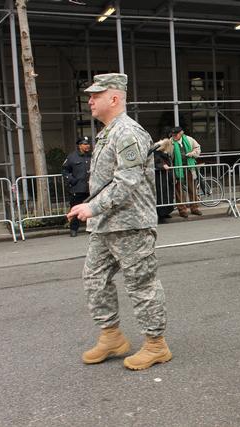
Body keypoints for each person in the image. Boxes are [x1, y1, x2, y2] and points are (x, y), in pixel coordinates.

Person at [67, 73, 172, 370]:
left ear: (113, 98)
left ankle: (156, 345)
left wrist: (93, 207)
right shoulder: (108, 132)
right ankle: (111, 336)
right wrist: (89, 207)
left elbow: (127, 181)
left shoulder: (128, 132)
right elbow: (105, 182)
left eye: (95, 96)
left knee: (141, 284)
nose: (89, 100)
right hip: (106, 224)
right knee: (94, 279)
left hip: (131, 223)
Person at [168, 126, 202, 218]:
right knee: (178, 190)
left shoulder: (189, 139)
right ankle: (182, 209)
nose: (174, 136)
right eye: (173, 134)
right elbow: (166, 154)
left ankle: (194, 208)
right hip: (177, 168)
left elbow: (197, 148)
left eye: (176, 134)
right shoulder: (170, 142)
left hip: (189, 167)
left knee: (192, 188)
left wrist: (192, 153)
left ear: (181, 133)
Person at [62, 136, 92, 237]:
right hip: (78, 188)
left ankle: (91, 229)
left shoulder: (93, 155)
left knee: (91, 209)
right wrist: (72, 180)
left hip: (92, 188)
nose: (87, 146)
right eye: (85, 144)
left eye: (88, 144)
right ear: (79, 146)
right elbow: (65, 170)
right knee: (75, 209)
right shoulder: (72, 157)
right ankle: (73, 229)